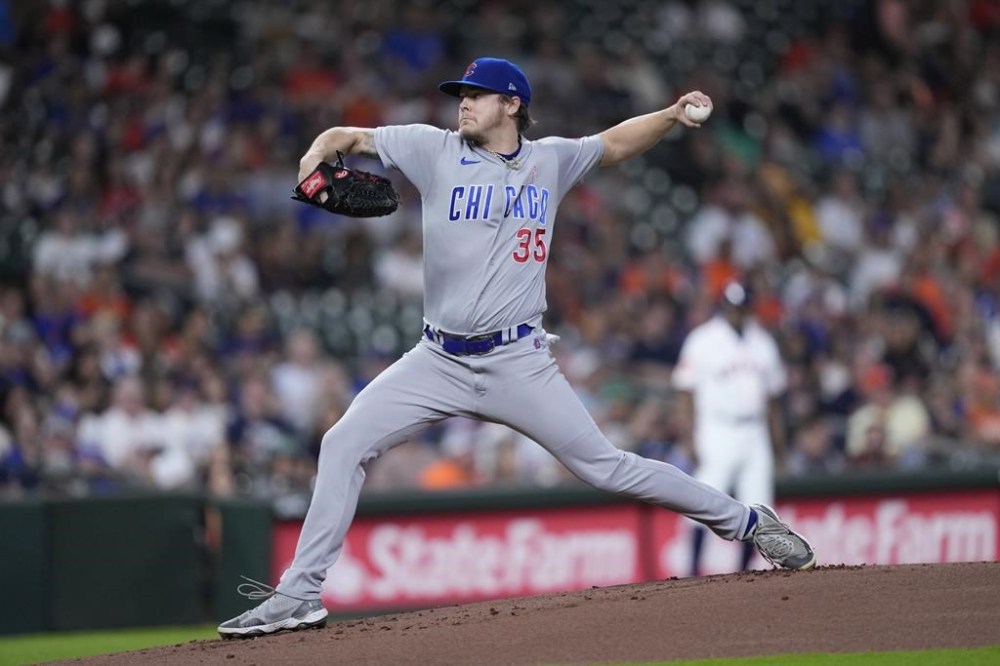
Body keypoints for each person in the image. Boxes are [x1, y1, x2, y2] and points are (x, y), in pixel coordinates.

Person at [218, 57, 816, 638]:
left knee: (606, 465)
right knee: (343, 441)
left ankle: (747, 521)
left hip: (518, 360)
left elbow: (613, 144)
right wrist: (313, 154)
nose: (464, 104)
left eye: (476, 95)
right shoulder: (433, 148)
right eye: (461, 95)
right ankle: (299, 593)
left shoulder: (550, 160)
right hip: (438, 358)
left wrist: (670, 114)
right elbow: (347, 134)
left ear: (512, 104)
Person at [672, 281, 789, 576]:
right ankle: (694, 569)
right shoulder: (702, 340)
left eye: (743, 307)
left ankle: (745, 572)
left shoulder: (763, 342)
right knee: (705, 500)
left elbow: (773, 399)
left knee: (759, 504)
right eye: (734, 307)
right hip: (716, 428)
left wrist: (779, 444)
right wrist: (688, 437)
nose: (738, 313)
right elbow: (685, 391)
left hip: (755, 430)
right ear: (724, 306)